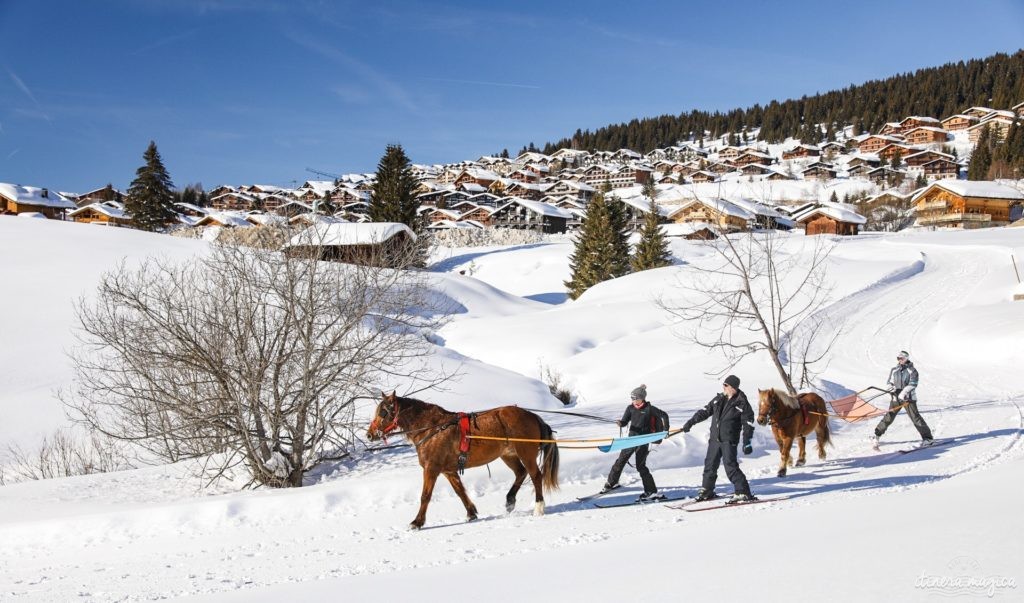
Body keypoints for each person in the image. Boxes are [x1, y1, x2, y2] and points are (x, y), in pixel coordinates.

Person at [682, 375, 756, 504]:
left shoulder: (742, 402)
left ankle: (743, 492)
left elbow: (748, 423)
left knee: (730, 466)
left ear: (733, 387)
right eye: (723, 384)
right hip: (715, 439)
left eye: (726, 385)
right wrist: (691, 422)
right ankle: (707, 490)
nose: (723, 387)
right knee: (710, 465)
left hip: (729, 439)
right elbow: (705, 411)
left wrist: (747, 441)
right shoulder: (719, 399)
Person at [599, 384, 670, 501]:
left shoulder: (650, 409)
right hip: (630, 440)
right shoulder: (630, 408)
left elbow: (664, 415)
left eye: (635, 398)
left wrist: (665, 431)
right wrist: (621, 423)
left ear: (642, 398)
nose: (633, 401)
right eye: (632, 398)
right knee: (620, 461)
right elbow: (625, 421)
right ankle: (612, 483)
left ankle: (651, 492)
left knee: (640, 466)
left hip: (643, 441)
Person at [871, 351, 933, 449]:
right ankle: (877, 435)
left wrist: (903, 393)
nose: (900, 360)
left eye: (902, 358)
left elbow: (913, 384)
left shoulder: (912, 370)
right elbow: (889, 381)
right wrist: (890, 387)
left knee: (915, 418)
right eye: (898, 358)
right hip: (895, 397)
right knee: (889, 416)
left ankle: (928, 439)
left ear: (906, 358)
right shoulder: (894, 370)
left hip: (908, 399)